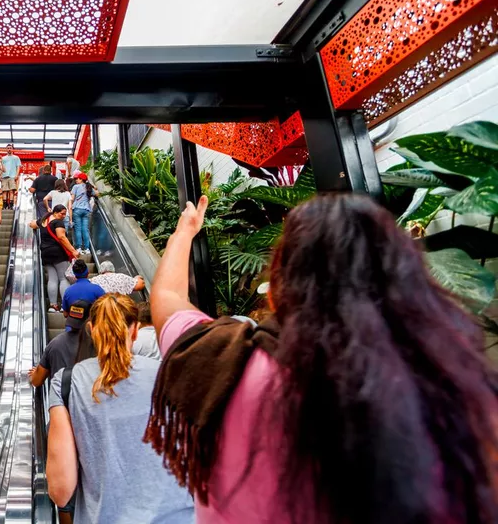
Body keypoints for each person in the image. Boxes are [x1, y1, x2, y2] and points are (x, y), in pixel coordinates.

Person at [146, 193, 498, 524]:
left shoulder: (224, 362)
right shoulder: (457, 392)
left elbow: (166, 294)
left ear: (280, 287)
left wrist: (186, 231)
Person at [46, 294, 195, 524]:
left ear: (92, 330)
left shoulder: (66, 383)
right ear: (135, 330)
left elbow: (60, 490)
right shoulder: (173, 373)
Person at [29, 298, 94, 388]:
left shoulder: (55, 344)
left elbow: (36, 381)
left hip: (60, 399)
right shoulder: (100, 345)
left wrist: (37, 373)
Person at [33, 204, 79, 312]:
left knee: (52, 279)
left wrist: (34, 223)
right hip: (58, 252)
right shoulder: (58, 222)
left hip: (45, 253)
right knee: (64, 278)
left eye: (65, 214)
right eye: (62, 213)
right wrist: (73, 250)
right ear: (55, 212)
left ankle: (53, 306)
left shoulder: (44, 221)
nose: (64, 216)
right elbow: (61, 237)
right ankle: (64, 305)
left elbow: (32, 224)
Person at [70, 172, 94, 255]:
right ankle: (87, 249)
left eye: (77, 179)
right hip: (86, 210)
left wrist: (69, 207)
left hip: (77, 209)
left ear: (81, 179)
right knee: (85, 229)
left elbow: (72, 198)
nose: (76, 180)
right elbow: (97, 194)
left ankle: (79, 248)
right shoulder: (89, 187)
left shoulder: (75, 187)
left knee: (78, 229)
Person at [0, 144, 22, 210]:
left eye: (10, 148)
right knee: (4, 191)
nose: (9, 149)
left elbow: (18, 166)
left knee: (11, 191)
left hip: (12, 176)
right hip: (4, 176)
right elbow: (1, 167)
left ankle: (11, 205)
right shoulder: (3, 158)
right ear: (6, 149)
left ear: (12, 149)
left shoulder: (16, 157)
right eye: (8, 148)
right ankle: (4, 205)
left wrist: (17, 175)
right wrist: (0, 175)